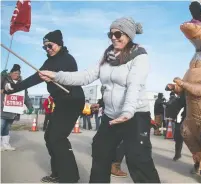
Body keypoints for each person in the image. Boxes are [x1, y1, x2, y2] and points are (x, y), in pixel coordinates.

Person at [39, 17, 160, 183]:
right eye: (110, 34)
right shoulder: (107, 56)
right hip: (110, 116)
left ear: (129, 35)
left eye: (118, 33)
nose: (113, 37)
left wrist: (128, 111)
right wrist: (56, 75)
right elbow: (86, 76)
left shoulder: (140, 56)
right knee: (100, 152)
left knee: (138, 158)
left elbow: (134, 85)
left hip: (135, 114)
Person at [4, 30, 85, 183]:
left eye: (50, 45)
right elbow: (34, 78)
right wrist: (13, 89)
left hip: (72, 100)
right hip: (61, 103)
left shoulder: (68, 59)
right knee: (49, 137)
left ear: (59, 44)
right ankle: (57, 172)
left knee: (57, 138)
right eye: (45, 47)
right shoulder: (49, 62)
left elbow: (69, 74)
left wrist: (52, 75)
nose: (47, 49)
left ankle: (70, 177)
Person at [1, 64, 33, 151]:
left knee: (7, 127)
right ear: (10, 73)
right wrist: (1, 77)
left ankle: (5, 144)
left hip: (13, 111)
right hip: (2, 109)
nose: (16, 75)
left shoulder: (22, 84)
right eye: (15, 73)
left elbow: (25, 96)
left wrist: (30, 106)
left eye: (18, 73)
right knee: (1, 126)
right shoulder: (4, 80)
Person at [173, 91, 186, 161]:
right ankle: (177, 154)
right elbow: (179, 104)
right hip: (186, 118)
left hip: (195, 119)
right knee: (178, 137)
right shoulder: (185, 93)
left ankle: (198, 164)